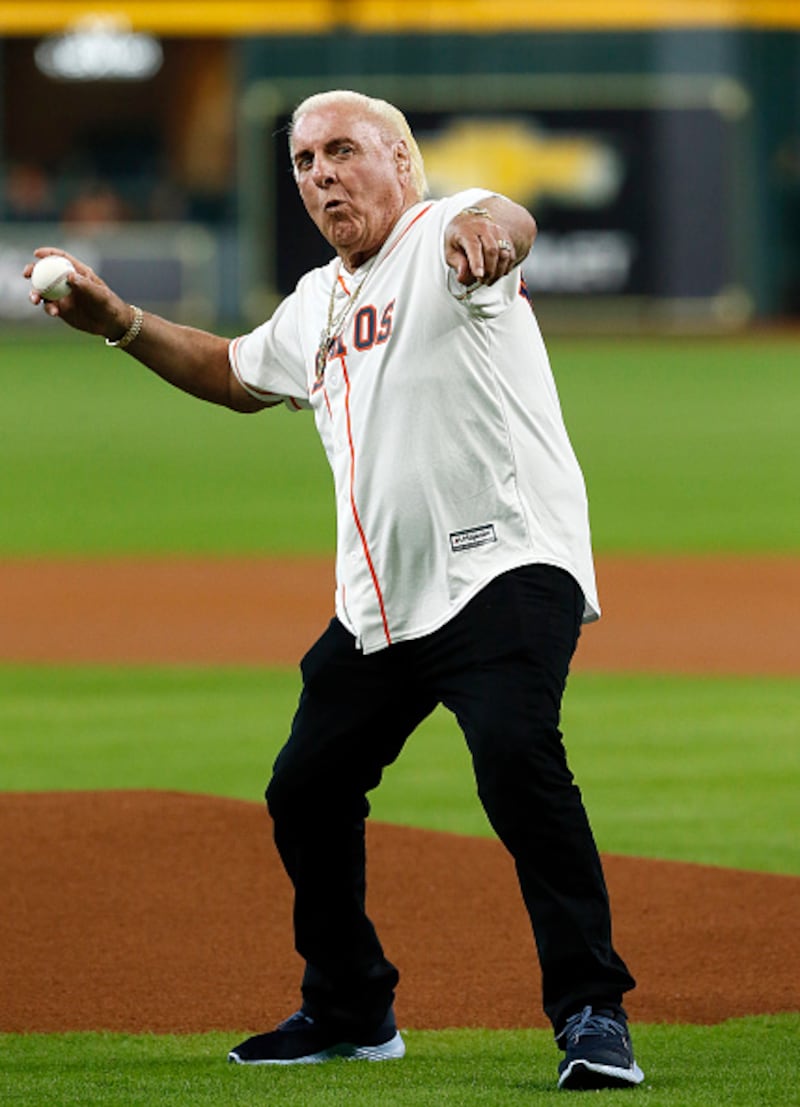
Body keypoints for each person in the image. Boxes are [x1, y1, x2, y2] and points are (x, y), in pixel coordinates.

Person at [25, 89, 644, 1092]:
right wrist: (122, 322)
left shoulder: (443, 235)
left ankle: (591, 1011)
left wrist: (493, 233)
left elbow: (505, 220)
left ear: (400, 159)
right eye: (304, 161)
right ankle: (352, 1009)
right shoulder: (317, 300)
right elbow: (233, 372)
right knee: (305, 790)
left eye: (342, 150)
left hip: (500, 567)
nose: (320, 175)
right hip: (379, 602)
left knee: (515, 760)